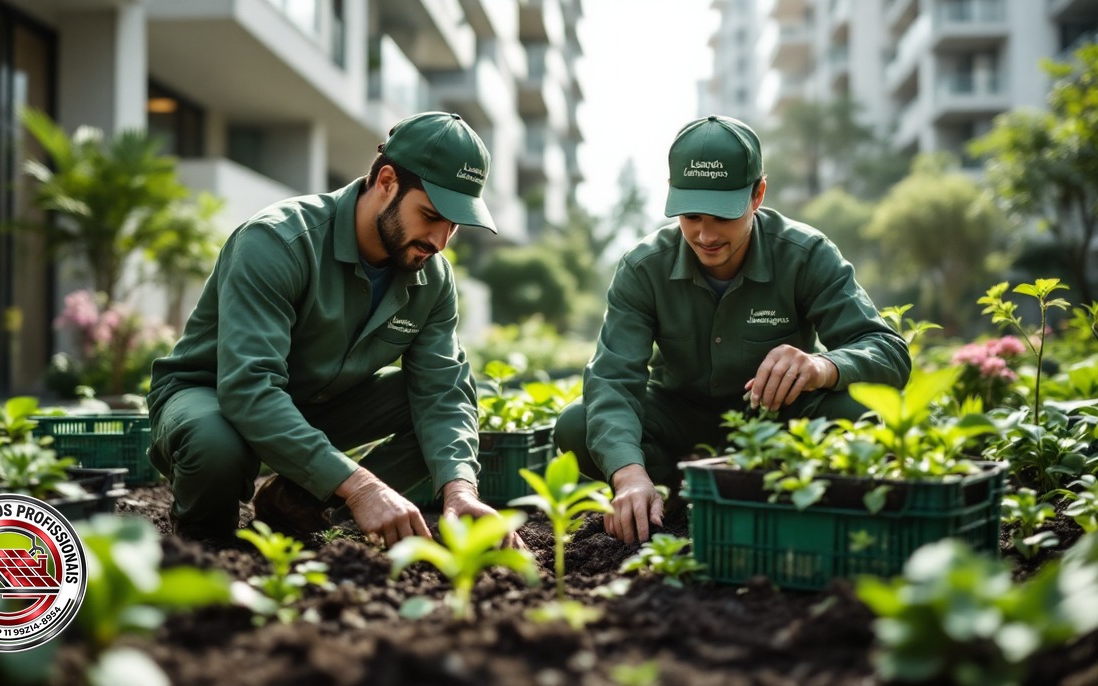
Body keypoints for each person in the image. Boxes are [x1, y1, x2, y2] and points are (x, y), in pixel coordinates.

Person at [147, 111, 521, 548]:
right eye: (430, 215)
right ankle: (203, 541)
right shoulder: (278, 242)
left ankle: (298, 504)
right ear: (386, 182)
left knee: (436, 409)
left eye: (453, 226)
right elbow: (249, 387)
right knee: (215, 448)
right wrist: (361, 486)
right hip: (216, 396)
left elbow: (442, 391)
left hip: (316, 404)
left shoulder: (432, 278)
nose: (439, 241)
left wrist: (460, 490)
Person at [555, 115, 911, 545]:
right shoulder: (643, 267)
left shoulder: (806, 254)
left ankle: (779, 490)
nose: (705, 235)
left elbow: (888, 350)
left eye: (724, 215)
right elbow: (613, 378)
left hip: (777, 420)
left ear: (758, 194)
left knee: (860, 411)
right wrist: (628, 474)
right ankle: (669, 493)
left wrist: (822, 367)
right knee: (577, 423)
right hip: (677, 420)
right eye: (691, 215)